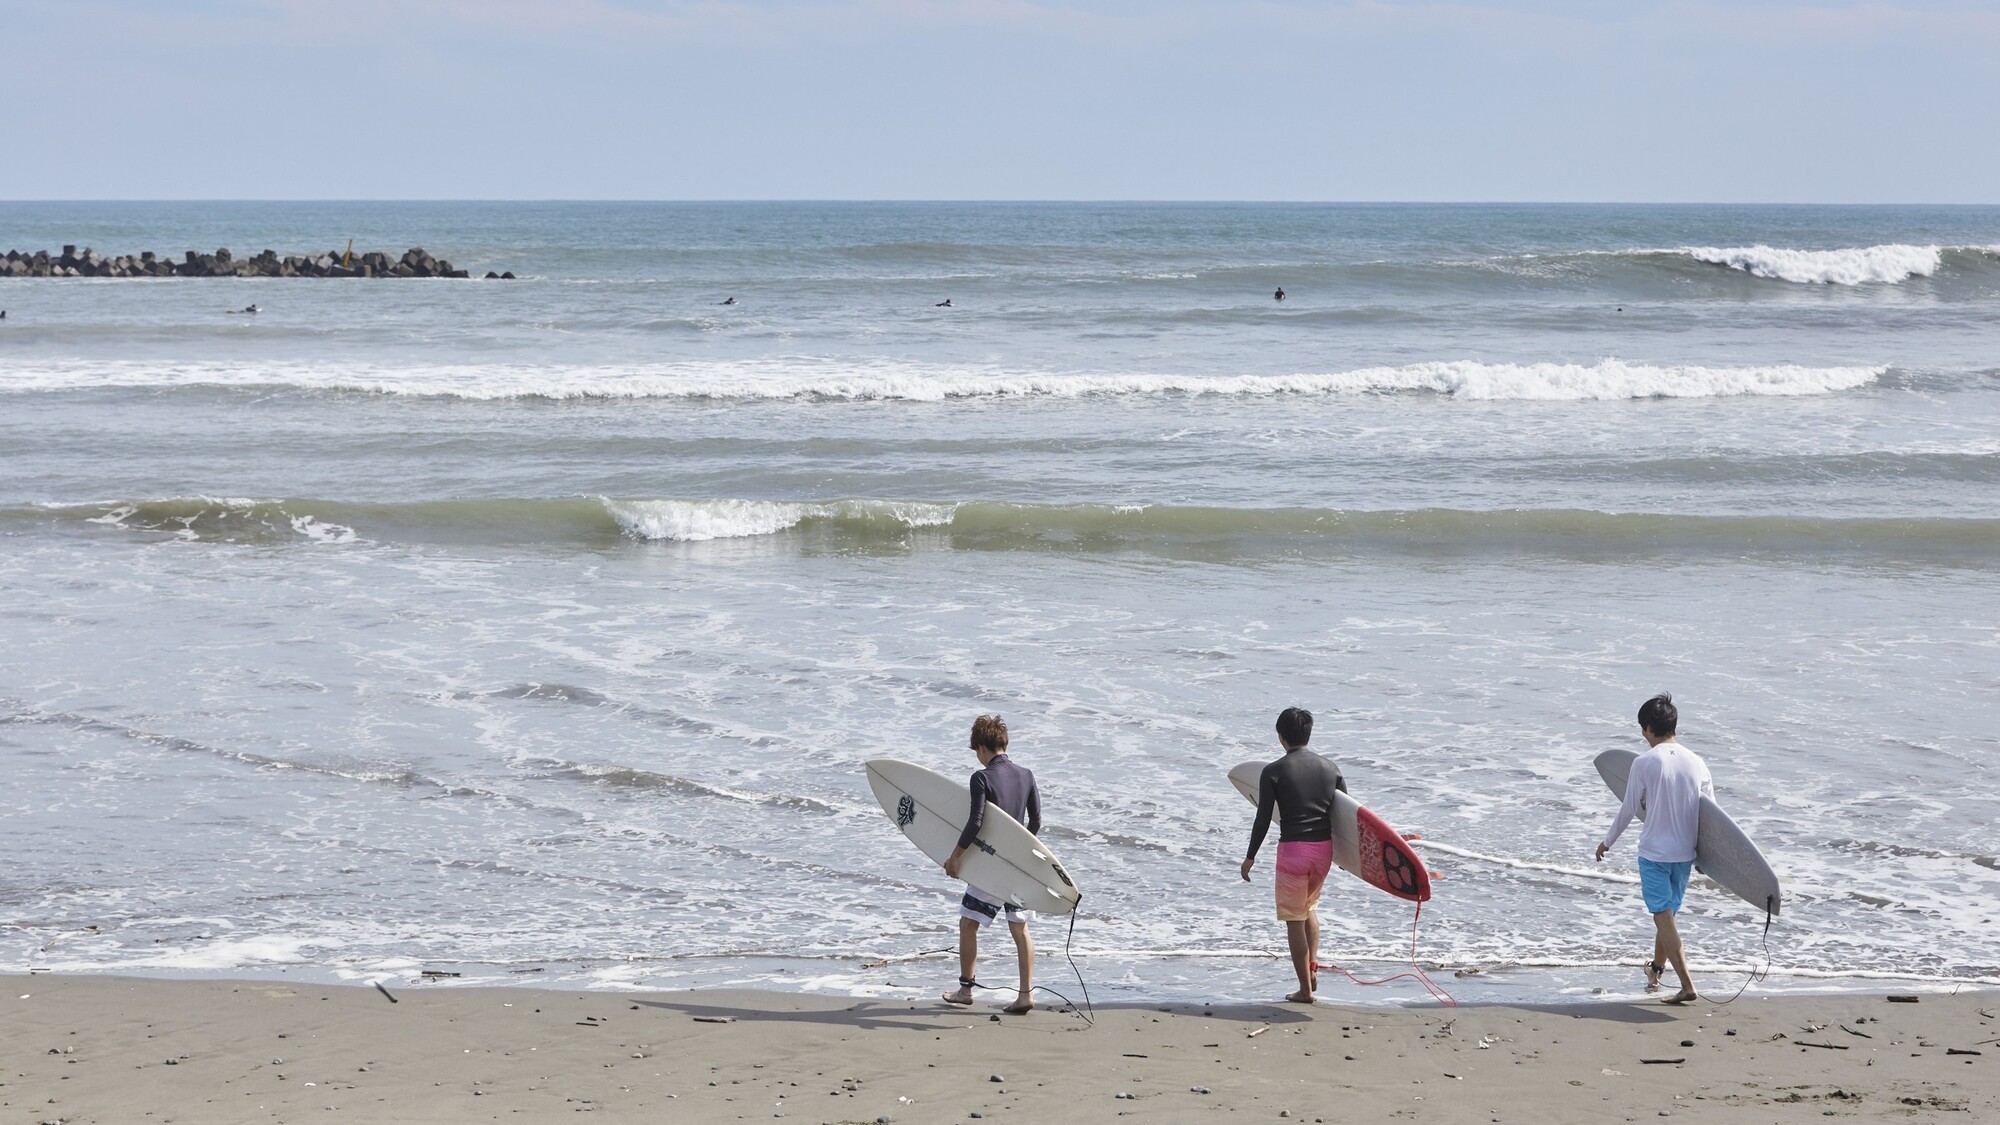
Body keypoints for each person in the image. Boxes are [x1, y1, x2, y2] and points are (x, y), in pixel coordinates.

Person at [1596, 693, 1713, 1004]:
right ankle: (1656, 971)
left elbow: (1628, 808)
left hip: (1654, 854)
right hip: (1684, 854)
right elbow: (1711, 816)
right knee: (1667, 916)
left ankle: (1687, 985)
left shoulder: (1644, 762)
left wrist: (1607, 841)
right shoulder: (1697, 762)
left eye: (1642, 729)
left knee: (1662, 916)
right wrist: (1708, 859)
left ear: (1648, 727)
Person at [1240, 706, 1346, 1003]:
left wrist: (1250, 857)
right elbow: (1346, 818)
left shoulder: (1273, 771)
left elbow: (1263, 817)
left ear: (1281, 737)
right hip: (1323, 852)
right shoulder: (1331, 768)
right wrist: (1348, 859)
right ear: (1308, 734)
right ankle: (1312, 968)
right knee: (1309, 908)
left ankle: (1305, 991)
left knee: (1294, 920)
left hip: (1293, 853)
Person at [941, 714, 1040, 1014]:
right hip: (1018, 867)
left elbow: (976, 822)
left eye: (977, 752)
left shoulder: (981, 777)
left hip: (993, 868)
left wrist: (955, 857)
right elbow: (1035, 822)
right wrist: (1019, 853)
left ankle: (965, 990)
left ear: (982, 748)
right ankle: (1026, 995)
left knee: (968, 923)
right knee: (1020, 929)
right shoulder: (1027, 775)